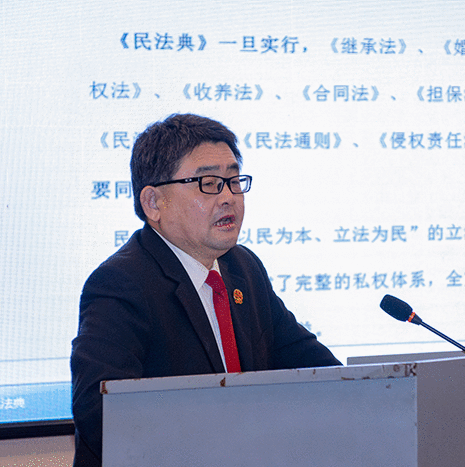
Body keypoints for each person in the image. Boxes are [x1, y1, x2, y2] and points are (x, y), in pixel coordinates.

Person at [70, 113, 341, 466]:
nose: (228, 197)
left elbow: (311, 365)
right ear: (153, 203)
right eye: (209, 183)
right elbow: (102, 414)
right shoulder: (122, 284)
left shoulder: (243, 268)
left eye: (234, 181)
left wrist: (367, 396)